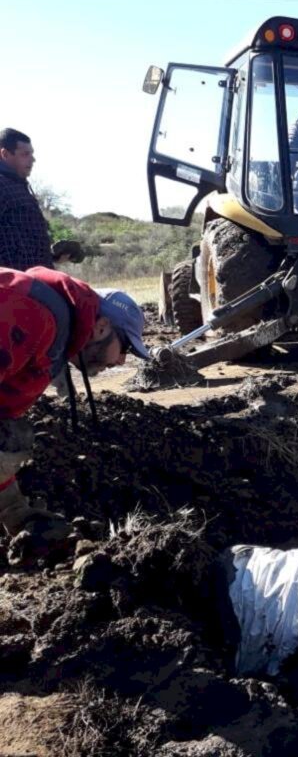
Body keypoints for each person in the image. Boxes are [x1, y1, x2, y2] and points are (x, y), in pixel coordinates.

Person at [0, 265, 149, 563]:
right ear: (102, 327)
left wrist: (13, 510)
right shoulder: (31, 313)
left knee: (12, 432)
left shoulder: (52, 332)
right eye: (126, 349)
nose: (121, 361)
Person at [0, 128, 84, 270]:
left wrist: (54, 255)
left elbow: (23, 243)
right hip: (16, 286)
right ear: (5, 154)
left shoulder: (19, 187)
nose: (33, 159)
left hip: (35, 282)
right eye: (25, 154)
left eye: (32, 154)